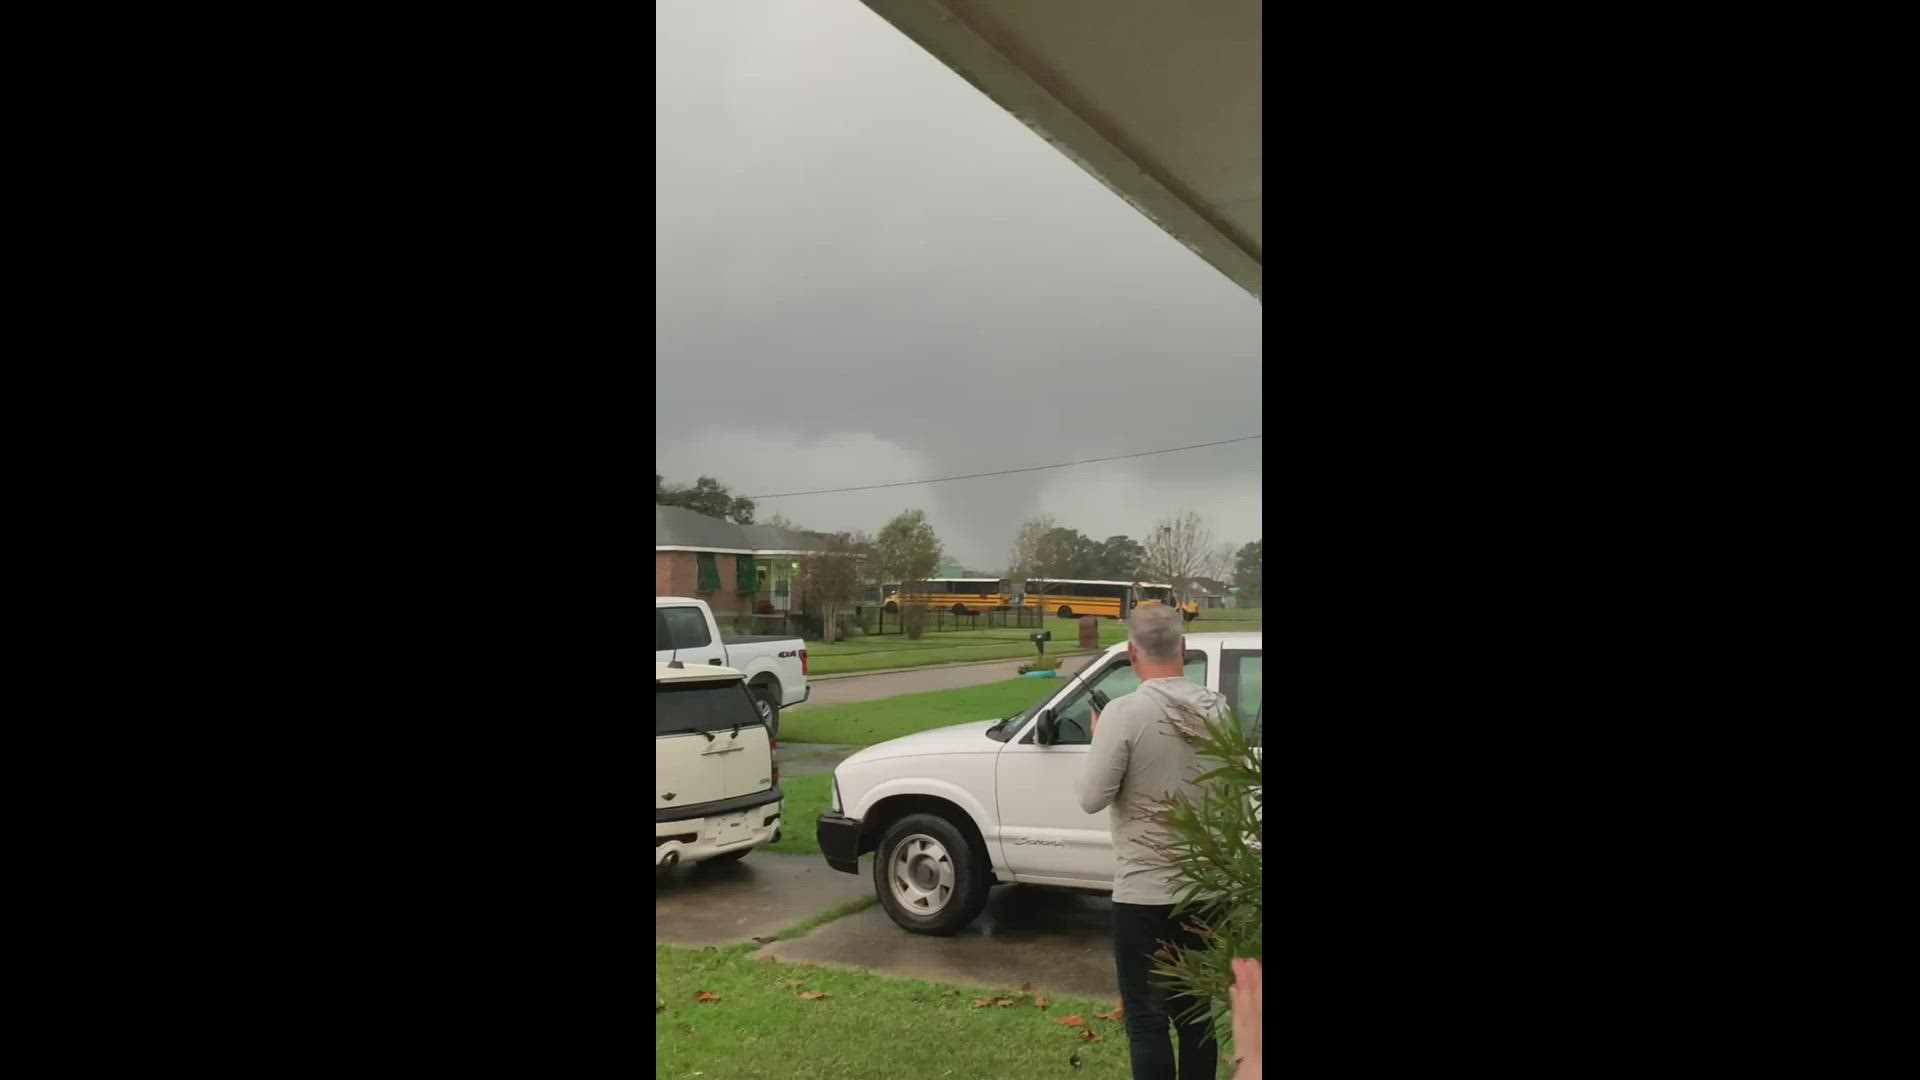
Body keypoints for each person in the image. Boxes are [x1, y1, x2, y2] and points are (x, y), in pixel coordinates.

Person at [1077, 603, 1228, 1080]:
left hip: (1143, 896)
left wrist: (1099, 738)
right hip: (1205, 892)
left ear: (1131, 653)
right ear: (1184, 648)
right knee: (1196, 1021)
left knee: (1146, 1022)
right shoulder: (1219, 708)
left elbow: (1090, 798)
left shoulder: (1123, 714)